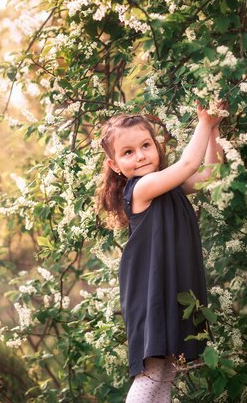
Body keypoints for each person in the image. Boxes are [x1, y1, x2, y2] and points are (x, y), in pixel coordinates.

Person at [97, 100, 228, 403]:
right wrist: (204, 122)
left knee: (165, 372)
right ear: (115, 165)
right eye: (128, 152)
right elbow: (187, 165)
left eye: (145, 145)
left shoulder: (168, 185)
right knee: (151, 372)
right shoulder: (142, 188)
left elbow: (210, 174)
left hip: (169, 288)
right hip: (150, 293)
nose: (140, 156)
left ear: (156, 147)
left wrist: (215, 128)